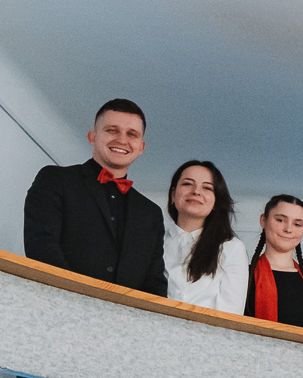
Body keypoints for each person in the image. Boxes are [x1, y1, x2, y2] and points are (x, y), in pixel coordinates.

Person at [22, 99, 168, 294]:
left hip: (122, 314)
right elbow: (42, 248)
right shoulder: (55, 180)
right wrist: (78, 300)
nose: (122, 140)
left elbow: (154, 282)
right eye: (112, 130)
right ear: (92, 137)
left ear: (141, 147)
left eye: (131, 134)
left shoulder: (151, 213)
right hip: (57, 304)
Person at [162, 160, 247, 312]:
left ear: (216, 201)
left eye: (207, 187)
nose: (196, 191)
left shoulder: (231, 248)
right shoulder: (154, 241)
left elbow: (231, 314)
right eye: (187, 184)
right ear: (173, 195)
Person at [244, 194, 303, 330]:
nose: (288, 229)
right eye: (280, 220)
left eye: (297, 224)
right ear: (263, 220)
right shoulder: (243, 276)